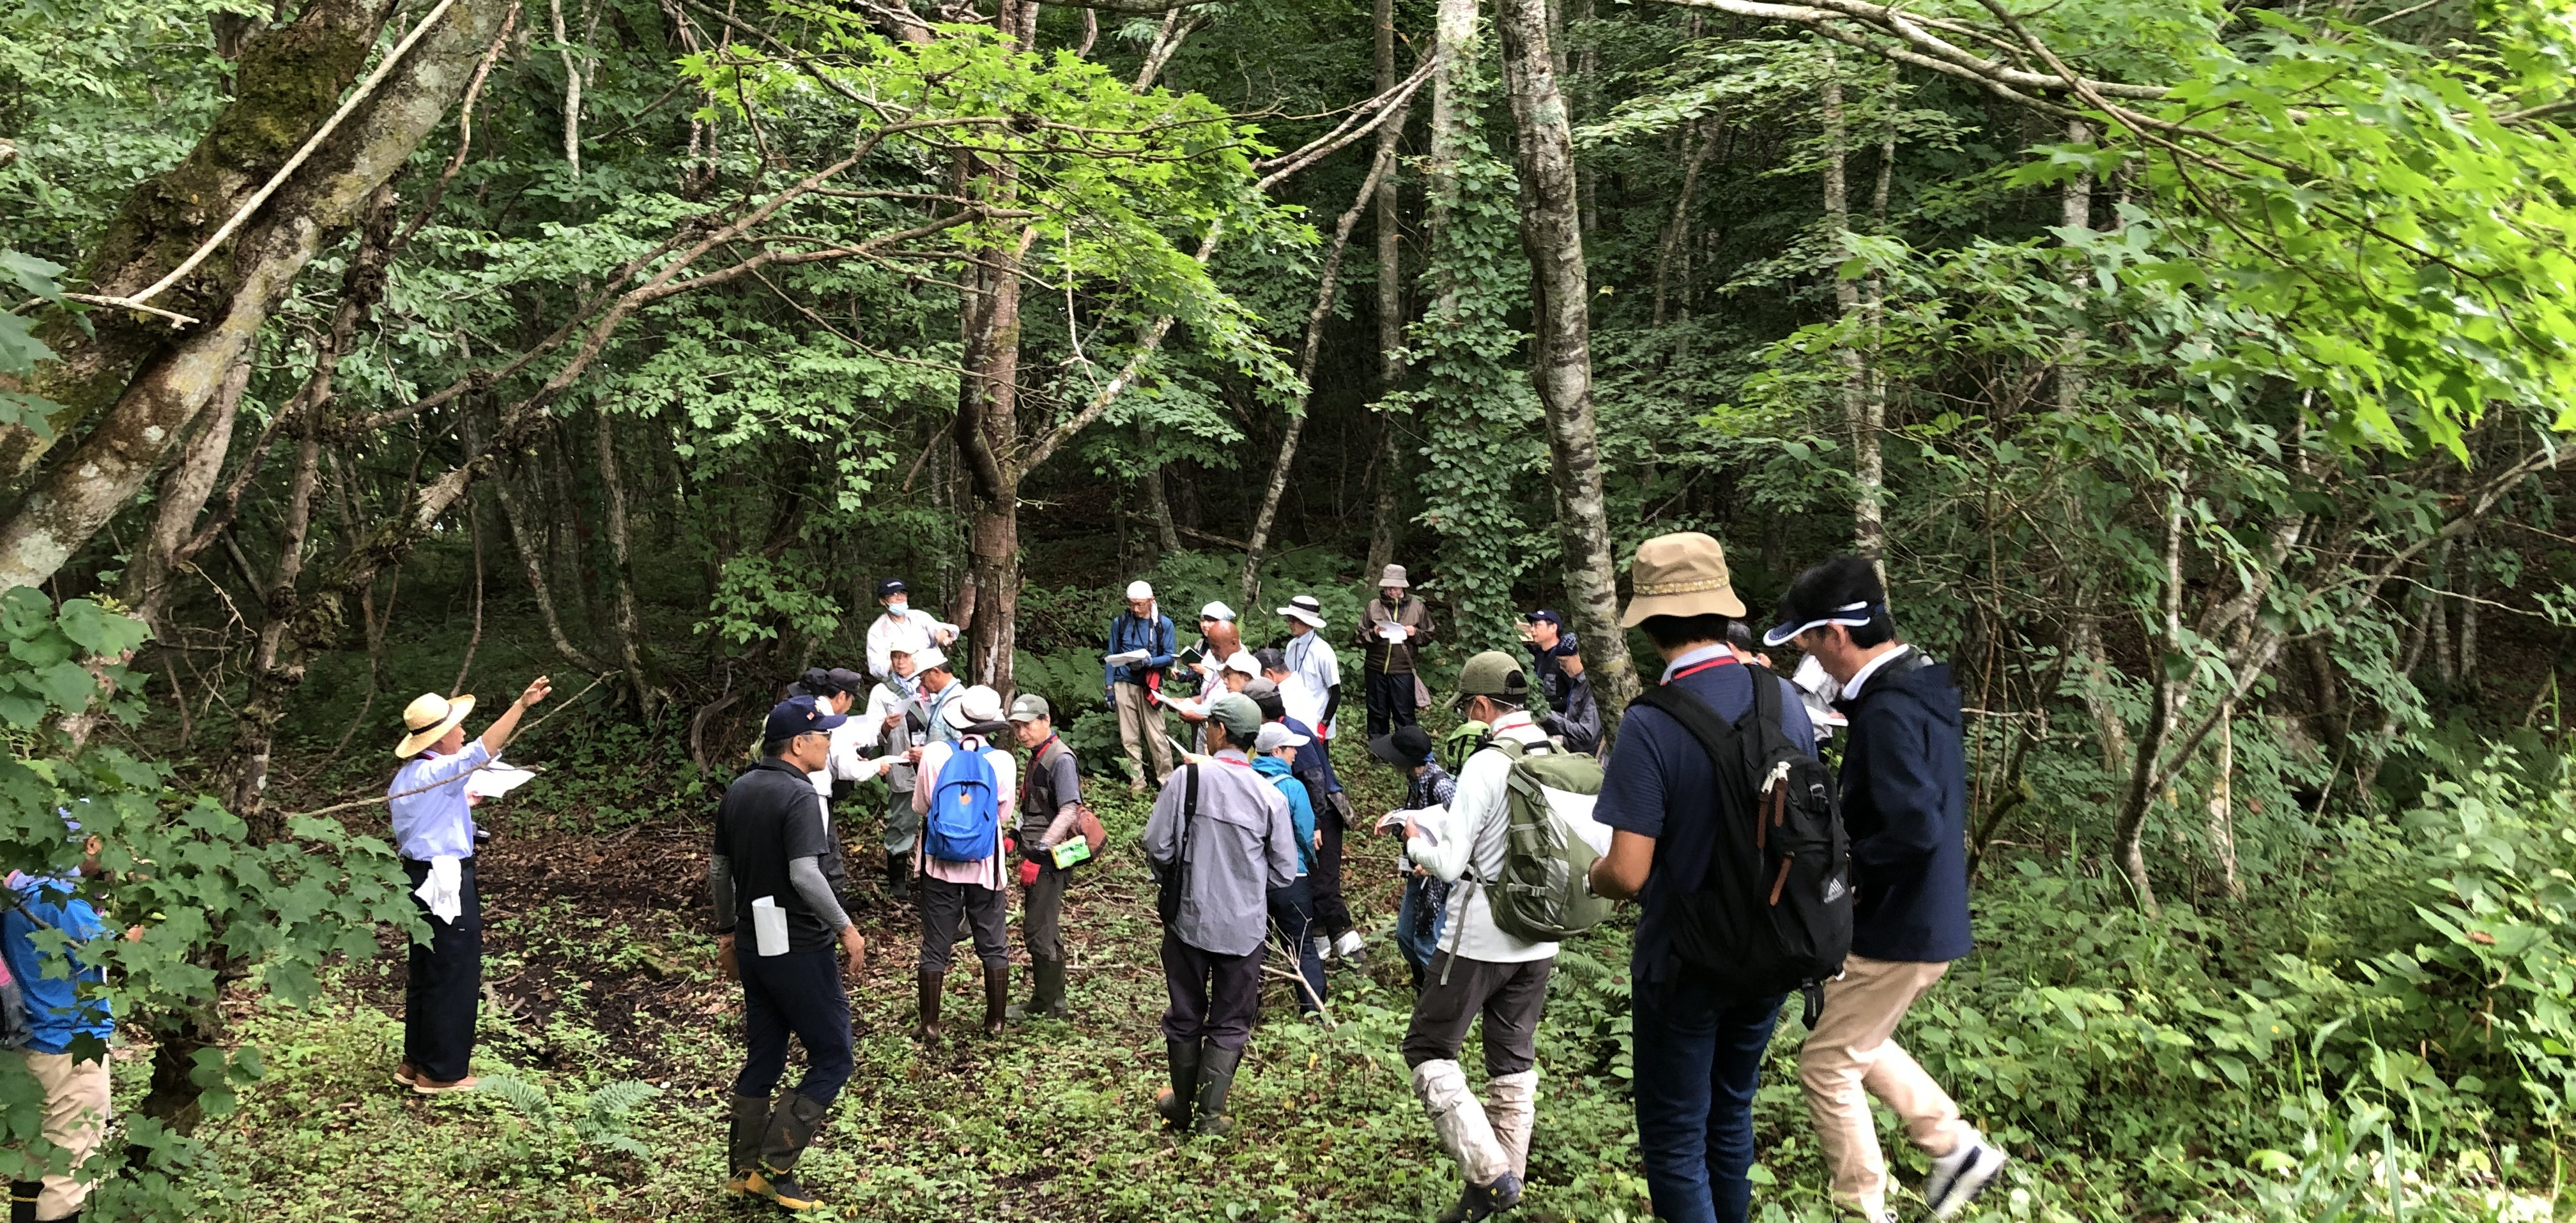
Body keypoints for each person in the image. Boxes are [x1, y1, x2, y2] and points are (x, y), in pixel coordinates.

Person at [1584, 532, 1817, 1223]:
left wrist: (1593, 877)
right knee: (1730, 1113)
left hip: (1685, 960)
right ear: (1723, 613)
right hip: (1773, 947)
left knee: (1675, 1132)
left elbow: (1628, 872)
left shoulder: (1651, 724)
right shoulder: (1785, 701)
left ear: (1649, 625)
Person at [1763, 556, 2004, 1222]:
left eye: (1809, 641)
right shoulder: (1916, 686)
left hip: (1901, 924)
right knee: (1850, 1038)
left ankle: (1864, 1206)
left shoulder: (1892, 708)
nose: (1809, 658)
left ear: (1837, 634)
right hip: (1926, 919)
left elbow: (1914, 829)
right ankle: (1955, 1145)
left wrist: (1846, 881)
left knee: (1826, 1066)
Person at [1397, 651, 1555, 1220]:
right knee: (1512, 1059)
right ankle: (1502, 1182)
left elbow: (1447, 861)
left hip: (1479, 936)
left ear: (1483, 705)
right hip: (1541, 936)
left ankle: (1490, 1176)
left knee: (1427, 1047)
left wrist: (1413, 837)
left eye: (1469, 706)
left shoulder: (1488, 764)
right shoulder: (1557, 753)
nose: (1470, 714)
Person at [713, 696, 871, 1212]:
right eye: (823, 736)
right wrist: (845, 926)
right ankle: (776, 1168)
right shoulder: (801, 796)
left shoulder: (739, 789)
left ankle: (741, 1172)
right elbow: (807, 873)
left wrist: (726, 933)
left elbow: (719, 870)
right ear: (798, 745)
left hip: (756, 941)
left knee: (765, 1053)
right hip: (799, 944)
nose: (829, 743)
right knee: (833, 1054)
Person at [1142, 693, 1298, 1138]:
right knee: (1231, 1019)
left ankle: (1182, 1104)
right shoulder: (1270, 797)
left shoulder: (1186, 779)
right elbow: (1286, 872)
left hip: (1188, 920)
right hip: (1245, 930)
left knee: (1185, 1011)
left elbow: (1157, 846)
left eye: (1210, 724)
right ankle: (1211, 1115)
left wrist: (1174, 875)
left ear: (1221, 732)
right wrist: (1248, 886)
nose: (1206, 731)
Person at [387, 675, 551, 1095]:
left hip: (417, 877)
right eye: (457, 726)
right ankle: (441, 1072)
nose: (462, 730)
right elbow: (484, 749)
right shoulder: (444, 769)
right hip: (445, 880)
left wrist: (462, 804)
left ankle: (415, 1060)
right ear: (441, 737)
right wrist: (521, 705)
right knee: (454, 968)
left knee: (427, 967)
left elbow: (425, 821)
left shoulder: (410, 775)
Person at [4, 826, 125, 1223]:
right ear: (90, 844)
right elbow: (117, 949)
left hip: (27, 1039)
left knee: (34, 1160)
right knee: (72, 1171)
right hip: (72, 1046)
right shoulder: (64, 901)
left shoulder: (16, 888)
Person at [909, 685, 1017, 1040]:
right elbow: (1003, 813)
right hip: (985, 864)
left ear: (958, 720)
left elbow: (922, 807)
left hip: (938, 863)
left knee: (936, 942)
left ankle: (930, 1024)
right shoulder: (1002, 761)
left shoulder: (935, 753)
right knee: (993, 940)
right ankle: (995, 1021)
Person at [1252, 662, 1364, 964]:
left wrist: (1314, 824)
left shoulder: (1287, 736)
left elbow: (1315, 781)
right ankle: (1320, 948)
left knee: (1323, 885)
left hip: (1322, 812)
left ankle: (1353, 951)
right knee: (1309, 881)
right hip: (1307, 813)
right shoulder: (1279, 731)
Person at [855, 643, 962, 903]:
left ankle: (931, 875)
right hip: (903, 764)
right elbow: (870, 736)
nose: (901, 662)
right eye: (895, 657)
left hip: (936, 769)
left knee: (938, 820)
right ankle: (898, 881)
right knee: (902, 821)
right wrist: (885, 727)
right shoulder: (883, 691)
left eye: (905, 656)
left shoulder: (936, 689)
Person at [1006, 693, 1084, 1022]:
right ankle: (1055, 1000)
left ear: (1046, 721)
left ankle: (1046, 1003)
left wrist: (1039, 853)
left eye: (1027, 725)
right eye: (1017, 727)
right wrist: (1014, 835)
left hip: (1050, 860)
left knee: (1038, 929)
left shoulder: (1060, 759)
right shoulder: (1038, 755)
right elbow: (1033, 805)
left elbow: (1069, 810)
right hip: (1037, 853)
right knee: (1045, 927)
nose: (1022, 732)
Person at [1368, 724, 1453, 990]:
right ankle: (1422, 988)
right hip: (1417, 867)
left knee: (1427, 941)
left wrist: (1436, 863)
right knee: (1406, 936)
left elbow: (1464, 829)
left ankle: (1440, 1001)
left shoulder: (1442, 786)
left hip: (1438, 875)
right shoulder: (1416, 779)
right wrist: (1395, 818)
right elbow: (1420, 815)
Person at [1250, 720, 1326, 1013]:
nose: (1296, 753)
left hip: (1252, 878)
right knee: (1302, 946)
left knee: (1255, 947)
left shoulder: (1245, 780)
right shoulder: (1293, 787)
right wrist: (1310, 860)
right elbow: (1305, 832)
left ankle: (1247, 1012)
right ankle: (1313, 1012)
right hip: (1291, 878)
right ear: (1276, 751)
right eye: (1291, 748)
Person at [794, 666, 884, 906]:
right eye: (852, 699)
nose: (850, 705)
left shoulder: (804, 709)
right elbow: (849, 769)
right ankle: (821, 909)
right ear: (842, 696)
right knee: (815, 853)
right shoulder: (837, 723)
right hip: (815, 792)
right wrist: (878, 765)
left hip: (788, 786)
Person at [1105, 580, 1179, 792]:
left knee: (1158, 737)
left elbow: (1169, 657)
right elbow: (1111, 657)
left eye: (1140, 604)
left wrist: (1150, 662)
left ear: (1151, 601)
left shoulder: (1163, 625)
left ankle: (1167, 783)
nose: (1136, 609)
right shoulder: (1120, 623)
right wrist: (1109, 688)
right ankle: (1137, 783)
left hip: (1150, 686)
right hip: (1124, 684)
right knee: (1129, 738)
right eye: (1132, 604)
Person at [1354, 564, 1432, 737]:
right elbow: (1358, 637)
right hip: (1376, 668)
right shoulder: (1373, 606)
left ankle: (1406, 752)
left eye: (1394, 588)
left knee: (1404, 714)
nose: (1390, 591)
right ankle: (1378, 751)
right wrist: (1373, 633)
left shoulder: (1417, 607)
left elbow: (1429, 635)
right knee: (1377, 713)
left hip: (1403, 669)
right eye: (1387, 587)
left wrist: (1415, 633)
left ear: (1403, 586)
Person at [1275, 595, 1343, 739]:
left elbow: (1335, 692)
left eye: (1294, 620)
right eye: (1289, 619)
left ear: (1306, 623)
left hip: (1316, 722)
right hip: (1293, 718)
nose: (1290, 624)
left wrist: (1324, 724)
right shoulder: (1291, 646)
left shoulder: (1323, 651)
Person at [864, 579, 955, 687]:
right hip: (903, 685)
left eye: (903, 593)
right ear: (883, 601)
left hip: (934, 678)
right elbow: (876, 667)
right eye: (894, 594)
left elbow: (947, 630)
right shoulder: (877, 630)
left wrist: (944, 634)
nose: (900, 598)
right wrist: (901, 665)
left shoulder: (920, 617)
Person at [1539, 647, 1602, 756]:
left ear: (1579, 657)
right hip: (1573, 749)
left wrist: (1551, 717)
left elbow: (1587, 733)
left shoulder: (1592, 688)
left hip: (1587, 758)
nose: (1561, 667)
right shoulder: (1577, 682)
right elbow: (1572, 719)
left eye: (1564, 661)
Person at [1519, 609, 1579, 713]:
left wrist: (1549, 707)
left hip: (1561, 720)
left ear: (1553, 628)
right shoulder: (1535, 655)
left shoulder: (1566, 658)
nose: (1532, 630)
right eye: (1531, 625)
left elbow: (1576, 694)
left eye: (1536, 625)